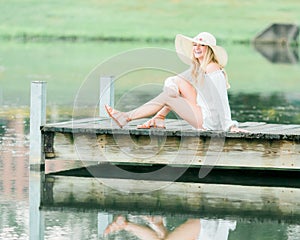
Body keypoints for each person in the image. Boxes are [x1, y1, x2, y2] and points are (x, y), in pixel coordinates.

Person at [105, 32, 248, 132]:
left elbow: (221, 100)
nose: (197, 48)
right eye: (195, 44)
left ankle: (127, 117)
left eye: (202, 45)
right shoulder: (197, 68)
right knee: (176, 85)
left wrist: (230, 126)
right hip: (203, 112)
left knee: (169, 96)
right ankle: (159, 117)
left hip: (211, 122)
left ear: (209, 49)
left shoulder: (212, 68)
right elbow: (173, 80)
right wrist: (171, 90)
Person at [103, 215, 237, 240]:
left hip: (202, 232)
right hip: (207, 229)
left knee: (163, 239)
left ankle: (125, 225)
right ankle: (124, 225)